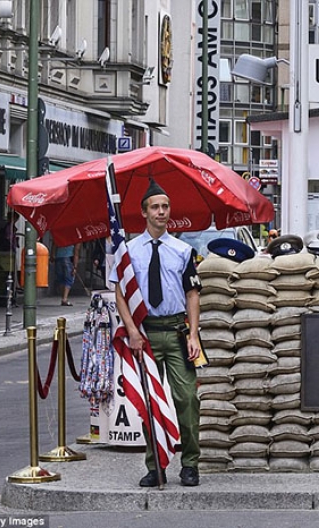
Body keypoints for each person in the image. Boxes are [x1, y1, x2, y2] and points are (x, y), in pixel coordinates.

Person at [110, 179, 203, 488]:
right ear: (144, 212)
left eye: (165, 207)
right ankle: (155, 466)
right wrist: (132, 331)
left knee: (187, 398)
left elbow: (192, 294)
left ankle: (190, 464)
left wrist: (194, 335)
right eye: (155, 207)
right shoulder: (128, 251)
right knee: (149, 403)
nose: (161, 212)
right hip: (145, 334)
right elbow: (121, 294)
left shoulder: (183, 250)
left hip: (177, 333)